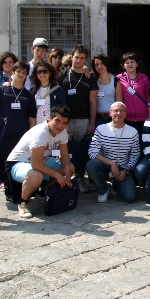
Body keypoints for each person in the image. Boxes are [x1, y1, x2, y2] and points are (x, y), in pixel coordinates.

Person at [6, 105, 75, 219]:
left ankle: (43, 192)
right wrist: (58, 175)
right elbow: (36, 164)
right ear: (50, 118)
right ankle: (23, 203)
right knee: (36, 175)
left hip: (42, 159)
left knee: (70, 167)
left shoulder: (62, 132)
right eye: (57, 121)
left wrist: (66, 168)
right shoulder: (40, 133)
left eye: (64, 123)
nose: (60, 125)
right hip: (17, 162)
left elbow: (64, 154)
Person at [58, 44, 99, 193]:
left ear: (85, 59)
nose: (79, 60)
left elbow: (93, 102)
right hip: (64, 121)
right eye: (76, 57)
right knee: (65, 149)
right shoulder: (63, 75)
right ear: (71, 57)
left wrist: (92, 122)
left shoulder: (90, 77)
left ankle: (81, 178)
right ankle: (67, 177)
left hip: (83, 120)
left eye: (82, 58)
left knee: (81, 150)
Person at [0, 61, 37, 200]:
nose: (21, 74)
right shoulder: (1, 90)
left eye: (24, 72)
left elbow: (32, 118)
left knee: (18, 164)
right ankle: (9, 190)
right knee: (3, 163)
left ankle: (19, 191)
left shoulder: (28, 96)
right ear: (12, 72)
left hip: (21, 135)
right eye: (18, 71)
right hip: (3, 134)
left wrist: (32, 138)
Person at [85, 102, 140, 203]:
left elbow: (135, 155)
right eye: (115, 111)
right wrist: (111, 163)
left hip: (123, 169)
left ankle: (115, 185)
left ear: (125, 114)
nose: (118, 113)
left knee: (130, 197)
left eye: (121, 111)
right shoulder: (101, 129)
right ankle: (103, 189)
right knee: (91, 165)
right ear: (110, 113)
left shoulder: (133, 132)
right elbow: (92, 151)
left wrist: (126, 171)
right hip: (106, 167)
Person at [118, 52, 150, 137]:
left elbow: (149, 97)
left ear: (137, 64)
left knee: (143, 144)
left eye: (132, 62)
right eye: (127, 62)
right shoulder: (118, 78)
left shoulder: (144, 78)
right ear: (123, 65)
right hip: (127, 118)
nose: (130, 64)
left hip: (144, 118)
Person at [92, 54, 122, 127]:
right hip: (97, 118)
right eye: (96, 65)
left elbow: (119, 103)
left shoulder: (115, 81)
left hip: (111, 118)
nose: (100, 67)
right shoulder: (92, 80)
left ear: (107, 64)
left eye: (102, 63)